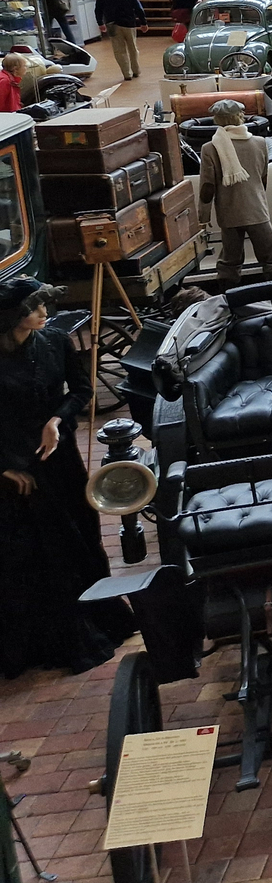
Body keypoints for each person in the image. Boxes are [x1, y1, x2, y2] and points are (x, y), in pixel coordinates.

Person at [0, 277, 138, 678]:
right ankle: (43, 640)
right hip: (15, 467)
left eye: (43, 306)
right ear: (12, 317)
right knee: (35, 552)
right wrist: (6, 467)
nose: (44, 313)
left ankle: (100, 617)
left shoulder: (56, 341)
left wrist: (58, 421)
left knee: (79, 533)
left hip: (59, 458)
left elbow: (80, 391)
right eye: (34, 308)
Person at [199, 99, 272, 286]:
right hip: (256, 209)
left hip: (229, 212)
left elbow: (207, 186)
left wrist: (203, 216)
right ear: (240, 117)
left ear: (216, 119)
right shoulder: (260, 143)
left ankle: (229, 298)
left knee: (230, 260)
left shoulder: (210, 148)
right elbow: (263, 177)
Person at [94, 0, 146, 81]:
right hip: (129, 24)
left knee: (119, 50)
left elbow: (98, 10)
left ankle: (127, 74)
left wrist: (100, 23)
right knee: (133, 47)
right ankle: (136, 70)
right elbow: (138, 9)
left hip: (112, 25)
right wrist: (143, 23)